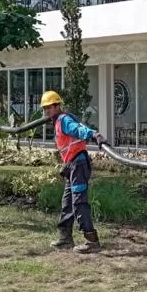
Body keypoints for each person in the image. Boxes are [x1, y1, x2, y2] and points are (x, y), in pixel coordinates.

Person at [40, 90, 106, 254]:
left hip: (78, 165)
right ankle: (65, 238)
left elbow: (78, 129)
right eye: (45, 108)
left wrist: (94, 134)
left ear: (57, 106)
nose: (47, 111)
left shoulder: (64, 120)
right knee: (67, 202)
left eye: (49, 107)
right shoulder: (58, 121)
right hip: (71, 165)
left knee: (78, 202)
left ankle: (92, 241)